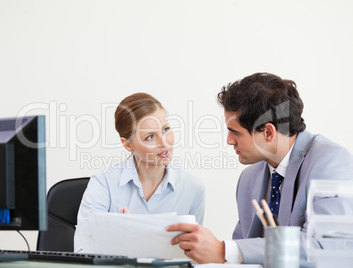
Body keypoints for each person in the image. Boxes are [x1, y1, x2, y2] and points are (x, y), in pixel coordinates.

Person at [167, 72, 353, 265]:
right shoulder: (249, 178)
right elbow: (241, 255)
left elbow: (324, 247)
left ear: (268, 132)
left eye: (235, 132)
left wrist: (224, 249)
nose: (229, 141)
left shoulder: (331, 162)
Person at [74, 92, 205, 253]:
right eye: (149, 137)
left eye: (166, 129)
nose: (164, 142)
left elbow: (193, 255)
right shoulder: (103, 183)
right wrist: (122, 236)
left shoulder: (192, 188)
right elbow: (83, 251)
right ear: (128, 145)